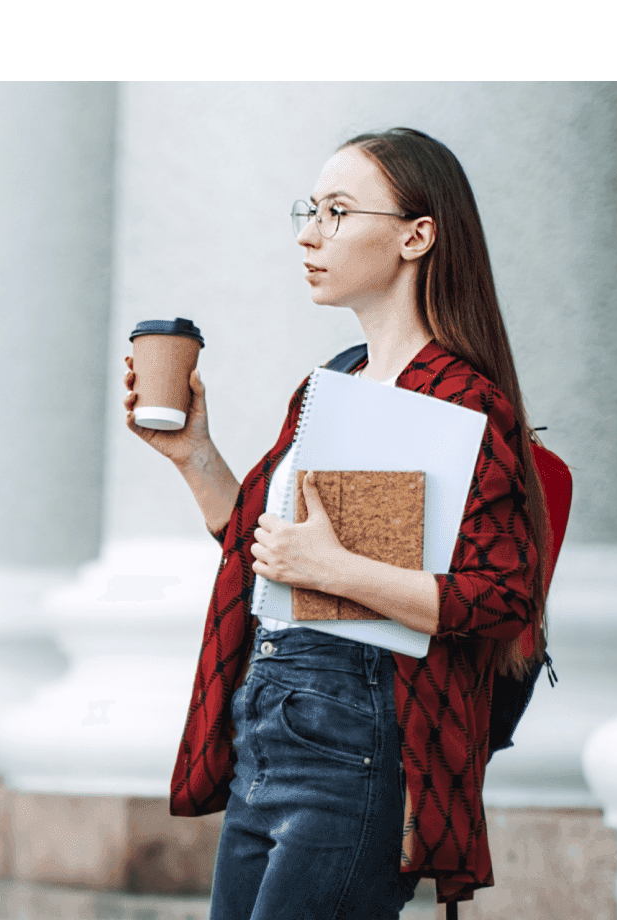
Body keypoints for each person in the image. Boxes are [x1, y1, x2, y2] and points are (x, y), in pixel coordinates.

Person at [122, 128, 554, 919]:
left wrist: (334, 570)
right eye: (309, 209)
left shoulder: (461, 399)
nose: (308, 233)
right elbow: (263, 552)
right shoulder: (336, 380)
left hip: (356, 739)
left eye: (337, 211)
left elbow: (502, 598)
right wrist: (194, 455)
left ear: (417, 236)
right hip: (269, 714)